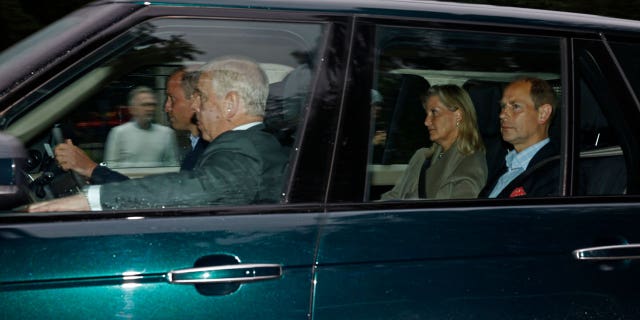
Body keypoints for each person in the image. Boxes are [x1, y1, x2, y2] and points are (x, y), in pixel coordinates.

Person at [28, 56, 290, 212]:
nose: (195, 106)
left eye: (201, 98)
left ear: (230, 104)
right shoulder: (257, 142)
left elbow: (197, 189)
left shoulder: (242, 150)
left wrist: (90, 200)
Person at [54, 68, 207, 184]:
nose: (166, 107)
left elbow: (165, 196)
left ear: (196, 101)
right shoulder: (197, 146)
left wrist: (91, 169)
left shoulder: (207, 152)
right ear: (132, 108)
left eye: (172, 99)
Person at [381, 84, 487, 200]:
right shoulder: (421, 157)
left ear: (458, 116)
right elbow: (393, 197)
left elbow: (457, 214)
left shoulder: (471, 163)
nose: (426, 122)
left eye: (434, 113)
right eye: (427, 114)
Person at [479, 77, 560, 198]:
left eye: (515, 106)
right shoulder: (504, 163)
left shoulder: (556, 172)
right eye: (503, 107)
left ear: (543, 113)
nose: (502, 115)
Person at [102, 86, 179, 168]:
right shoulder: (118, 133)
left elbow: (173, 166)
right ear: (132, 109)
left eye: (152, 105)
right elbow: (110, 167)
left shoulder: (167, 133)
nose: (150, 109)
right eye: (145, 105)